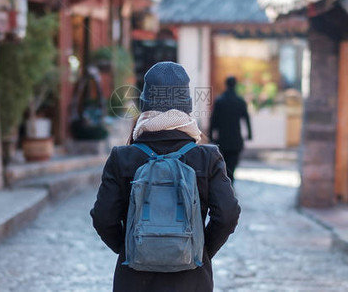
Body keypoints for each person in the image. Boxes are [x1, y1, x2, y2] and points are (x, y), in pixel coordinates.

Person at [91, 62, 240, 292]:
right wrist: (198, 249)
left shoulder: (122, 157)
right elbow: (228, 214)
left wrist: (132, 247)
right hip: (192, 279)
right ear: (187, 107)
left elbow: (103, 218)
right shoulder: (207, 157)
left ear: (145, 104)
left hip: (134, 279)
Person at [209, 76, 252, 183]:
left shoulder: (220, 101)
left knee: (224, 164)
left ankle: (227, 185)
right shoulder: (240, 101)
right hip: (236, 139)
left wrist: (210, 135)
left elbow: (213, 120)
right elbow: (246, 119)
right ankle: (230, 184)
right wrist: (249, 134)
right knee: (232, 165)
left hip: (222, 139)